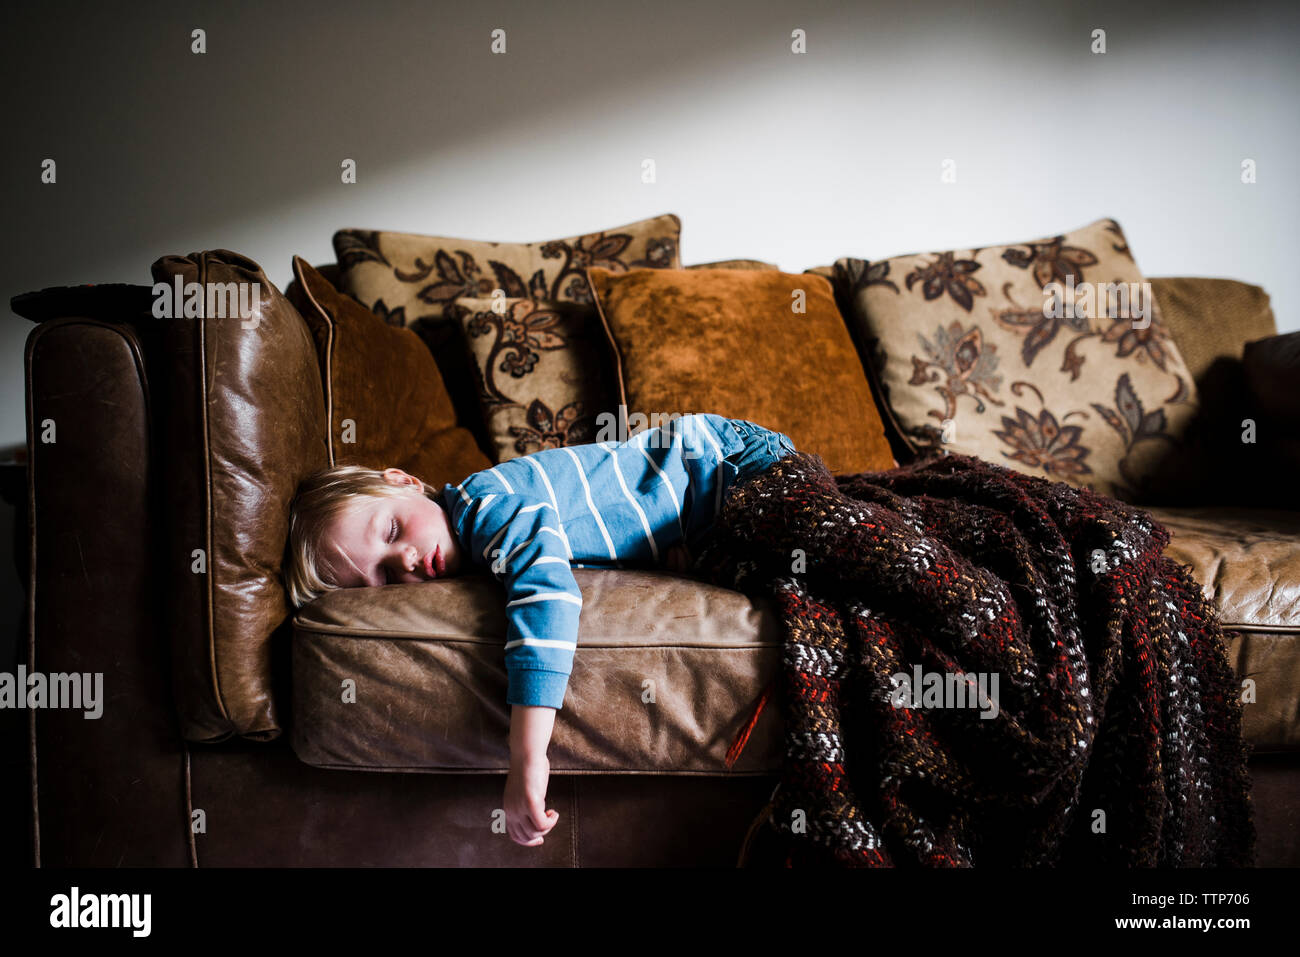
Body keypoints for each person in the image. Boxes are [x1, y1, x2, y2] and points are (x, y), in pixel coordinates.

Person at [284, 412, 801, 849]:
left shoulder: (484, 502)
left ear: (403, 481)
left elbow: (549, 592)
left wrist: (527, 756)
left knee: (813, 568)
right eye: (387, 575)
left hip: (723, 464)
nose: (409, 561)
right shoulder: (478, 549)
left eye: (392, 531)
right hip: (701, 513)